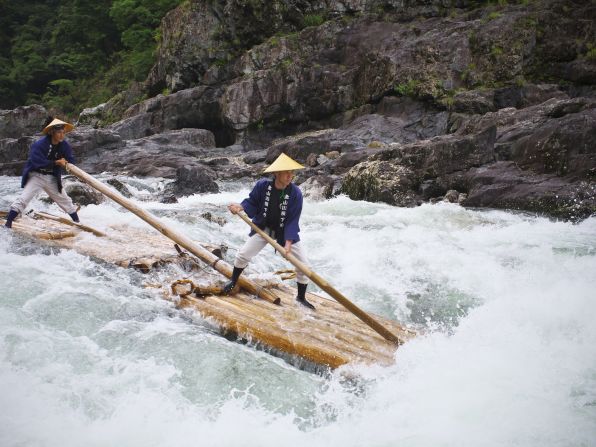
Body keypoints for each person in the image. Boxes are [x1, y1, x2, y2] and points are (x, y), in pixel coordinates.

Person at [224, 152, 315, 309]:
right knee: (243, 254)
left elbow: (292, 221)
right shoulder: (262, 186)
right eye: (286, 172)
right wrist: (240, 207)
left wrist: (287, 244)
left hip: (284, 233)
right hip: (262, 229)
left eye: (291, 172)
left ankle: (301, 298)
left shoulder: (295, 193)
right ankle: (233, 280)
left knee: (304, 266)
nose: (290, 176)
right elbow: (251, 202)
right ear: (276, 174)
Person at [4, 117, 79, 228]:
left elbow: (70, 159)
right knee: (24, 199)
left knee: (65, 201)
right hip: (37, 176)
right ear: (52, 132)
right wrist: (56, 162)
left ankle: (78, 223)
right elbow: (36, 161)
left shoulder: (64, 145)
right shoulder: (39, 144)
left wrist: (66, 162)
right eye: (59, 132)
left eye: (63, 132)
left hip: (52, 177)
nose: (62, 135)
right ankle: (8, 223)